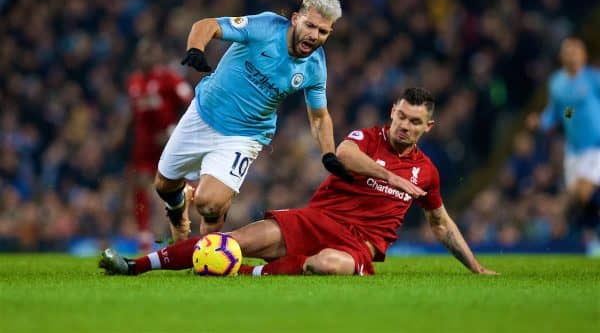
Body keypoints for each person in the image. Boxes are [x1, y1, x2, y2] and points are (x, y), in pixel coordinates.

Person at [100, 87, 497, 276]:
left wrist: (476, 267)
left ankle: (244, 274)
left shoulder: (427, 171)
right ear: (392, 112)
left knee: (331, 266)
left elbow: (441, 223)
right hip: (314, 219)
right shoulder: (367, 138)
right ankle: (135, 266)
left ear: (429, 126)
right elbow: (342, 155)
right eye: (401, 117)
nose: (405, 126)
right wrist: (390, 175)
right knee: (231, 241)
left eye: (415, 122)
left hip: (357, 244)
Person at [155, 0, 426, 243]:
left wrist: (328, 154)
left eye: (322, 31)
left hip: (244, 135)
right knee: (164, 185)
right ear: (295, 19)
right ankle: (178, 208)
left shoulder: (315, 66)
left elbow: (319, 117)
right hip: (203, 113)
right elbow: (207, 25)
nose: (314, 35)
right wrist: (196, 49)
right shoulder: (265, 27)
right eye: (310, 26)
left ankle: (202, 254)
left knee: (210, 203)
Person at [527, 37, 600, 237]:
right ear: (561, 56)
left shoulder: (594, 79)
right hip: (574, 148)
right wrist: (540, 122)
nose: (572, 55)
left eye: (576, 51)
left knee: (584, 191)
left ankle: (589, 234)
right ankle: (589, 237)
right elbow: (561, 112)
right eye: (568, 51)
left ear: (584, 56)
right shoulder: (557, 84)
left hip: (596, 146)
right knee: (577, 197)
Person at [126, 38, 194, 252]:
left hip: (168, 144)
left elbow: (190, 103)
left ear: (156, 56)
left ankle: (180, 230)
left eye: (149, 52)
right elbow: (134, 114)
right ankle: (145, 235)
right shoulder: (134, 81)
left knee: (174, 187)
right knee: (140, 184)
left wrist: (173, 130)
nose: (145, 57)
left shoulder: (170, 79)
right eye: (142, 53)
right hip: (143, 146)